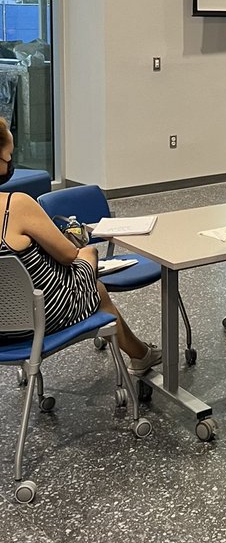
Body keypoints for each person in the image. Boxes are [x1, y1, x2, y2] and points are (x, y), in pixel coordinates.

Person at [0, 118, 161, 373]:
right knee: (89, 258)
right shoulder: (15, 205)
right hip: (34, 320)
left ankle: (140, 353)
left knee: (92, 284)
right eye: (9, 155)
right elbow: (67, 255)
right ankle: (140, 355)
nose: (11, 162)